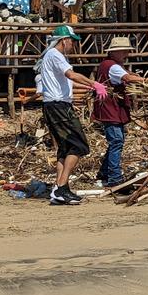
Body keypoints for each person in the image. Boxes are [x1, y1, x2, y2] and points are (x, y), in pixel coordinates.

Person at [38, 25, 107, 206]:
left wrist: (88, 87)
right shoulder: (55, 55)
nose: (73, 45)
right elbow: (71, 75)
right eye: (72, 41)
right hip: (59, 106)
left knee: (65, 148)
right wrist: (94, 84)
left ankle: (60, 188)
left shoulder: (51, 57)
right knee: (79, 145)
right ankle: (61, 187)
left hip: (54, 105)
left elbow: (66, 81)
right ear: (64, 40)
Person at [92, 37, 147, 187]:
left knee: (114, 142)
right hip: (111, 109)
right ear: (115, 52)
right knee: (116, 141)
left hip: (110, 109)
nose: (126, 54)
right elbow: (127, 78)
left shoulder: (107, 64)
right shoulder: (113, 66)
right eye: (124, 51)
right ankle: (114, 178)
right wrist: (147, 82)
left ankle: (104, 172)